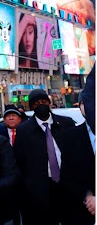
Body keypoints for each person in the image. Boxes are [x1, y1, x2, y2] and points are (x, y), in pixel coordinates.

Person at [14, 88, 78, 225]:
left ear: (49, 103)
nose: (41, 105)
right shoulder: (24, 130)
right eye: (36, 103)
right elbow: (19, 161)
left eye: (44, 101)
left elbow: (76, 153)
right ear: (31, 107)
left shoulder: (66, 123)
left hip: (67, 184)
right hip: (40, 190)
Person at [59, 88, 95, 224]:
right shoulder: (70, 136)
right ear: (80, 107)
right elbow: (67, 175)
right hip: (81, 213)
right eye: (86, 102)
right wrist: (87, 197)